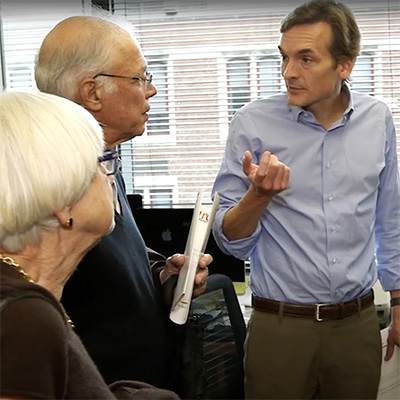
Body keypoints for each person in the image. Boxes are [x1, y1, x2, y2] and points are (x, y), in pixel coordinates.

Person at [212, 0, 400, 398]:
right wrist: (258, 196)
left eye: (306, 59)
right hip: (280, 330)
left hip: (358, 326)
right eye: (284, 57)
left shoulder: (378, 119)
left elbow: (390, 218)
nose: (288, 72)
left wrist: (399, 300)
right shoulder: (252, 124)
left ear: (344, 65)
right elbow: (229, 238)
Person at [34, 14, 211, 392]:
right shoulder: (49, 187)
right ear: (93, 92)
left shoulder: (106, 161)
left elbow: (106, 280)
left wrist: (164, 278)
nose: (152, 91)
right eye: (140, 78)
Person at [0, 91, 180, 400]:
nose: (110, 176)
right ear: (63, 204)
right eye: (102, 163)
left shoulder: (25, 296)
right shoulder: (23, 319)